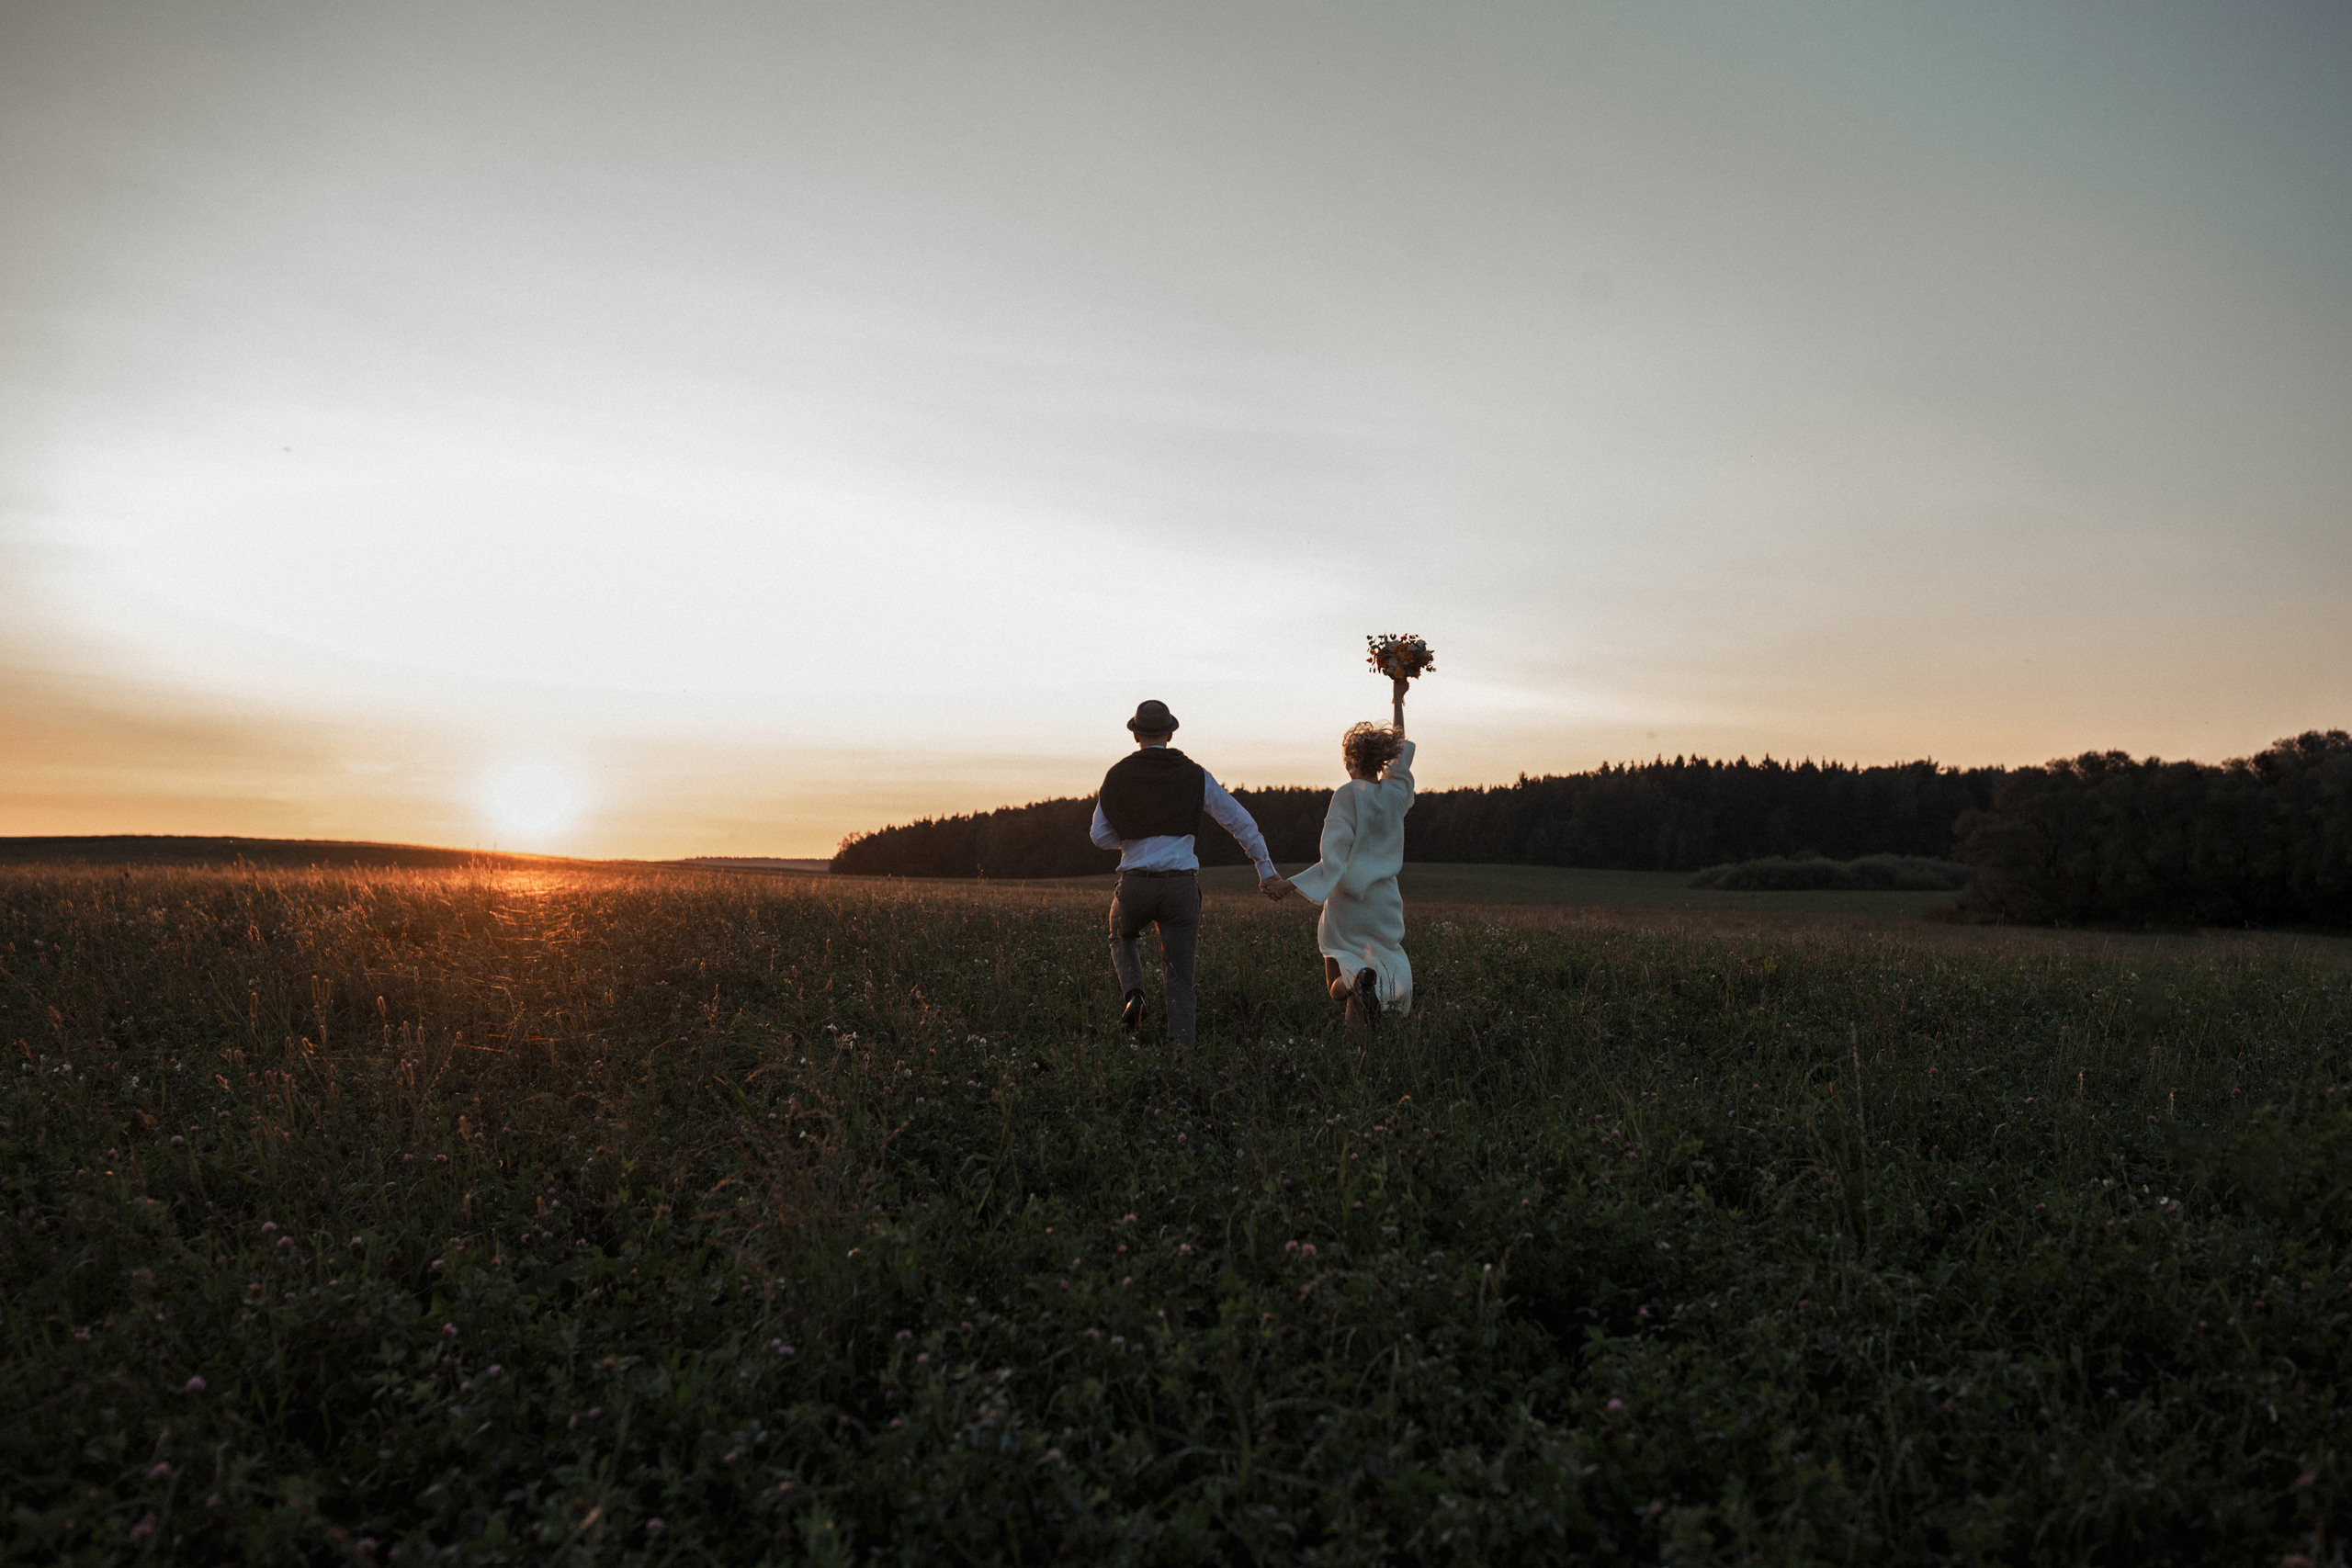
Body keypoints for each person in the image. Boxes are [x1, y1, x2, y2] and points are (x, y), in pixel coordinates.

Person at [1091, 699, 1285, 1047]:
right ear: (1170, 732)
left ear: (1135, 735)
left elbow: (1098, 835)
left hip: (1135, 885)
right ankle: (1182, 1058)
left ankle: (1134, 993)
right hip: (1180, 887)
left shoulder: (1116, 775)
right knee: (1180, 978)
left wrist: (1137, 838)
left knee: (1120, 934)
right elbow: (1241, 822)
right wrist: (1265, 869)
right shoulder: (1195, 775)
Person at [1268, 696, 1416, 1028]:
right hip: (1385, 904)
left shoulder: (1346, 796)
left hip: (1347, 907)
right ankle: (1367, 1046)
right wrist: (1398, 696)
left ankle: (1357, 983)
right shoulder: (1395, 795)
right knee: (1378, 973)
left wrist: (1287, 884)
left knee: (1340, 981)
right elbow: (1401, 752)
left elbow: (1332, 860)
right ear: (1382, 760)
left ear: (1351, 761)